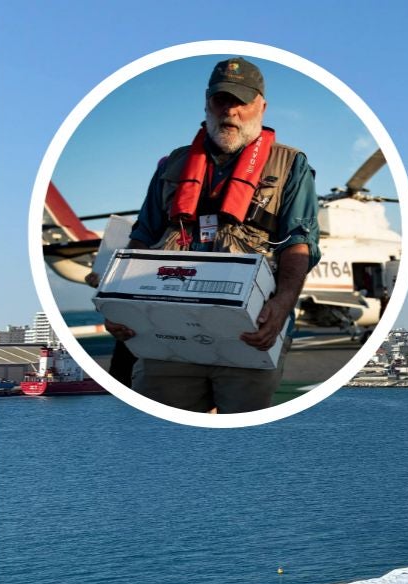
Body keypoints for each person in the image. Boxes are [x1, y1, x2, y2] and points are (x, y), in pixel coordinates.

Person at [89, 57, 320, 413]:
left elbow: (298, 243)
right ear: (206, 103)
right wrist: (120, 305)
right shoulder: (172, 165)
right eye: (221, 99)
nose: (230, 110)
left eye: (241, 101)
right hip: (167, 333)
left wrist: (281, 306)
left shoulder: (291, 165)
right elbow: (143, 237)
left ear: (262, 106)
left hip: (248, 332)